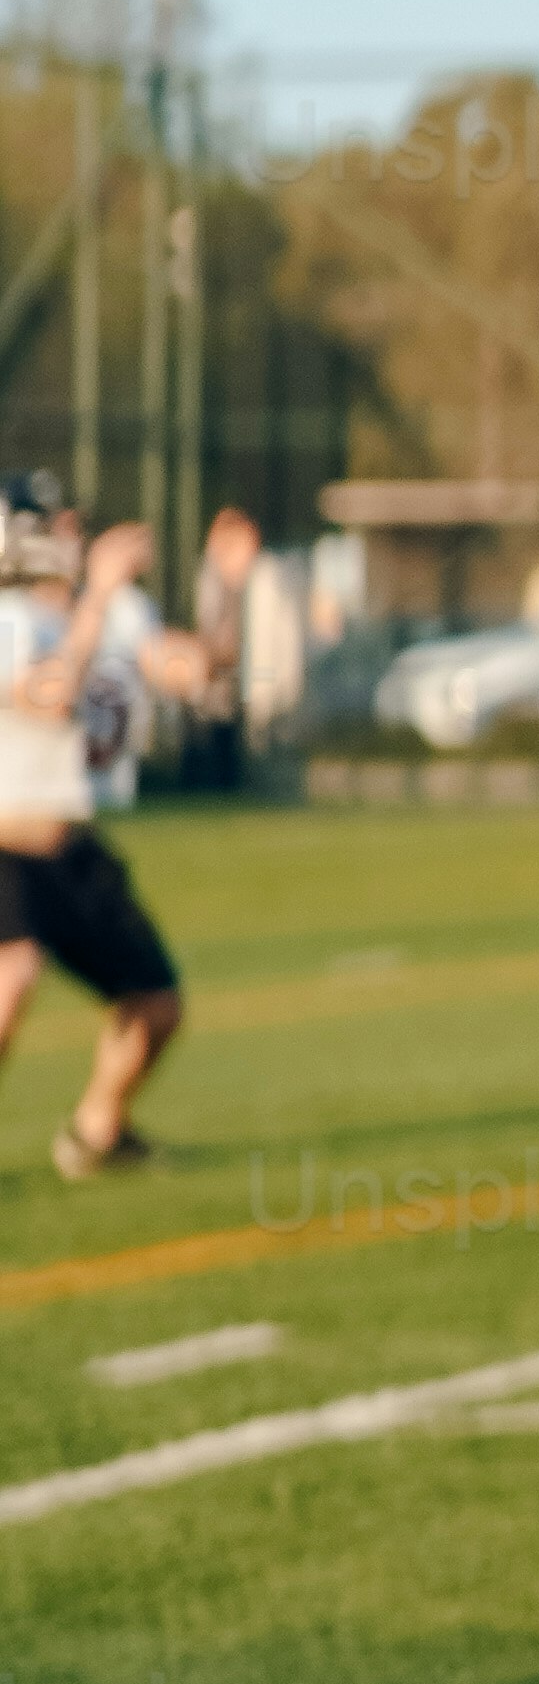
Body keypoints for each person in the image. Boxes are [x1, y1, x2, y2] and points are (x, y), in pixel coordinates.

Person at [0, 483, 231, 1179]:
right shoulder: (9, 618)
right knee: (12, 977)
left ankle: (99, 1131)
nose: (73, 529)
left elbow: (199, 672)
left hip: (72, 844)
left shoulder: (120, 611)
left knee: (156, 1006)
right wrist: (96, 598)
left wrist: (226, 584)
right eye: (56, 521)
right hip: (3, 839)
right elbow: (48, 698)